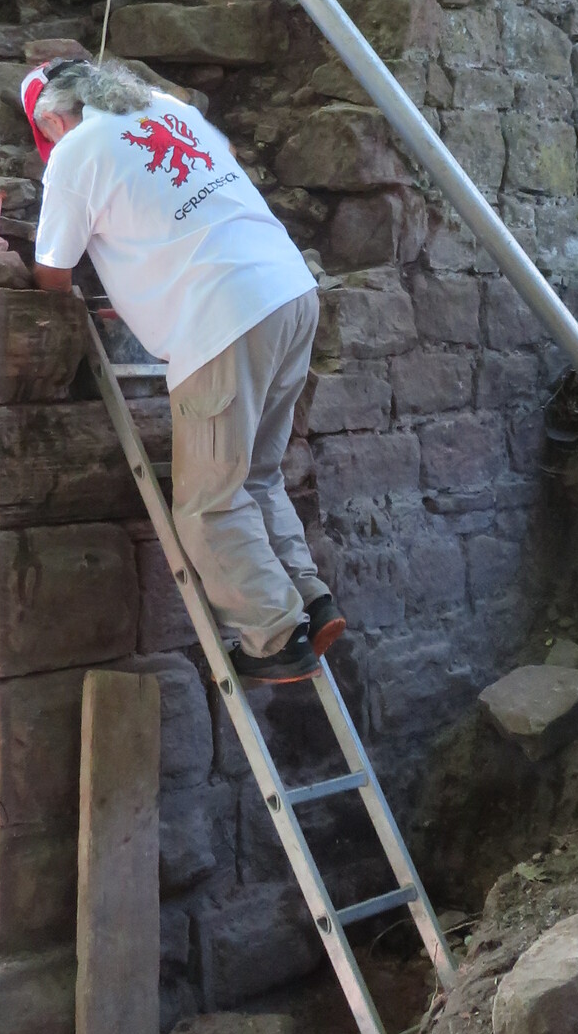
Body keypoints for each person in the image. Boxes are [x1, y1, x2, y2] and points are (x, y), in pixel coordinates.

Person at [20, 54, 344, 685]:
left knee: (208, 503)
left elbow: (53, 273)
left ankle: (275, 637)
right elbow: (191, 198)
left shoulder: (74, 152)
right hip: (289, 293)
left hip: (223, 316)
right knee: (258, 473)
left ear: (53, 119)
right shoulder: (168, 110)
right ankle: (310, 596)